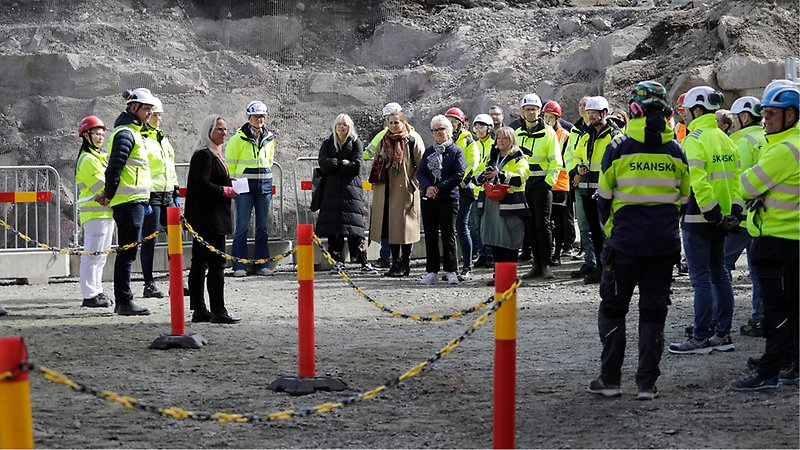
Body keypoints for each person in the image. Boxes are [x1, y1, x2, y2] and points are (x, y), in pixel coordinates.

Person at [587, 81, 690, 400]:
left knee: (614, 310)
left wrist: (612, 232)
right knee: (653, 313)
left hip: (624, 245)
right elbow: (684, 200)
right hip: (663, 245)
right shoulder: (676, 150)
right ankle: (646, 384)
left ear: (635, 110)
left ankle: (611, 380)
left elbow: (602, 198)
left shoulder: (618, 147)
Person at [729, 83, 799, 391]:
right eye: (764, 113)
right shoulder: (789, 143)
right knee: (793, 307)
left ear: (791, 115)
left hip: (778, 239)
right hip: (789, 239)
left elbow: (746, 185)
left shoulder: (784, 150)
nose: (765, 118)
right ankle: (793, 364)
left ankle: (769, 372)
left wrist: (754, 180)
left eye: (771, 113)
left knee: (775, 309)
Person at [668, 86, 740, 355]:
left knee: (701, 279)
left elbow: (697, 181)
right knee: (720, 275)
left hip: (700, 219)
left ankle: (699, 337)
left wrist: (711, 213)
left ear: (698, 110)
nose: (684, 115)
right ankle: (723, 334)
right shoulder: (724, 138)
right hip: (722, 219)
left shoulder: (694, 139)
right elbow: (735, 178)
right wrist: (732, 211)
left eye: (686, 110)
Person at [94, 88, 157, 316]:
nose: (149, 112)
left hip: (133, 201)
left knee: (128, 252)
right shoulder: (126, 133)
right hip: (128, 202)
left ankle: (125, 299)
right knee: (127, 253)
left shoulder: (132, 132)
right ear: (133, 108)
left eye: (150, 108)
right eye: (146, 108)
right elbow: (114, 169)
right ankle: (124, 300)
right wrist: (109, 194)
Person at [185, 115, 240, 324]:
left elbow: (209, 180)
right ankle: (218, 309)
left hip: (209, 216)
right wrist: (225, 190)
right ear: (209, 131)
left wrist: (227, 181)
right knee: (215, 263)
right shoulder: (203, 155)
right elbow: (202, 185)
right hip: (208, 218)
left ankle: (200, 309)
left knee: (200, 263)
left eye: (225, 129)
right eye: (219, 129)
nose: (224, 133)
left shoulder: (214, 154)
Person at [364, 102, 425, 268]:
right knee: (389, 228)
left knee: (406, 228)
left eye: (396, 122)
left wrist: (413, 184)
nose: (393, 125)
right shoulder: (383, 140)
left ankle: (405, 263)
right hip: (386, 190)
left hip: (405, 191)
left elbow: (421, 164)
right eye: (390, 122)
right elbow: (375, 158)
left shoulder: (413, 139)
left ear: (403, 122)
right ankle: (394, 263)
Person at [725, 95, 767, 337]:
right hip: (763, 216)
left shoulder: (742, 142)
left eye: (735, 117)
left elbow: (738, 180)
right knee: (758, 271)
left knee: (718, 268)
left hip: (742, 218)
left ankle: (714, 322)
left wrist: (732, 212)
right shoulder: (766, 138)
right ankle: (761, 318)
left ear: (744, 116)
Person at [316, 114, 376, 273]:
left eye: (345, 125)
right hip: (331, 192)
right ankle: (337, 261)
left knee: (355, 227)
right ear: (335, 126)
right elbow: (323, 163)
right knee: (334, 229)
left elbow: (357, 166)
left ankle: (363, 261)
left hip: (351, 191)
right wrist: (342, 163)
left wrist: (334, 164)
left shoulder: (356, 142)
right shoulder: (328, 143)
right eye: (339, 124)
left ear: (350, 127)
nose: (342, 127)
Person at [573, 96, 622, 284]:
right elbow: (576, 156)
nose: (591, 116)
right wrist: (578, 168)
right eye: (589, 113)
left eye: (594, 113)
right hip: (586, 189)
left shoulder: (614, 135)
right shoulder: (585, 135)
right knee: (594, 230)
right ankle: (601, 269)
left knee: (607, 231)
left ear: (604, 113)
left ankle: (611, 270)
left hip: (605, 191)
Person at [474, 126, 530, 286]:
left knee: (510, 240)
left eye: (505, 138)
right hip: (492, 202)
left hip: (511, 203)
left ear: (512, 140)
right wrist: (483, 176)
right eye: (499, 138)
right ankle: (499, 275)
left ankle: (510, 276)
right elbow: (477, 174)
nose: (501, 141)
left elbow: (521, 177)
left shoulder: (519, 158)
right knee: (495, 239)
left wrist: (501, 175)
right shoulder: (491, 157)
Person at [226, 100, 276, 277]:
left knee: (262, 227)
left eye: (262, 116)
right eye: (256, 116)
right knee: (242, 226)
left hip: (264, 187)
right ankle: (239, 266)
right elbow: (230, 165)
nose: (259, 120)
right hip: (244, 188)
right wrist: (232, 185)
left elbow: (268, 162)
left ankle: (262, 264)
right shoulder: (237, 139)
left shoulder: (269, 139)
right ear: (249, 118)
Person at [515, 93, 561, 280]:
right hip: (525, 187)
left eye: (534, 109)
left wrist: (547, 184)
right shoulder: (517, 134)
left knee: (543, 225)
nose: (531, 112)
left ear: (539, 111)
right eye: (528, 109)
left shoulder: (549, 132)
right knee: (530, 226)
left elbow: (556, 161)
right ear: (522, 111)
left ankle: (546, 265)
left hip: (542, 186)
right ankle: (536, 265)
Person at [417, 115, 467, 285]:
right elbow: (420, 172)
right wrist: (428, 187)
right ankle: (432, 271)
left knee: (448, 234)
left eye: (442, 129)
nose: (439, 132)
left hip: (448, 198)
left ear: (449, 130)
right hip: (429, 199)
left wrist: (438, 187)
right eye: (435, 130)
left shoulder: (455, 151)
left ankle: (451, 270)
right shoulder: (429, 152)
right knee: (430, 235)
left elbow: (459, 174)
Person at [139, 98, 179, 299]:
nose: (159, 118)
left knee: (176, 238)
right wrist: (143, 195)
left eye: (160, 115)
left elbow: (169, 166)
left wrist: (176, 191)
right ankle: (148, 283)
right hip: (151, 194)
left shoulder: (162, 138)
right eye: (156, 115)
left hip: (167, 194)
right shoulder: (142, 137)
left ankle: (176, 282)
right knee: (149, 240)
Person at [75, 115, 113, 309]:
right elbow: (102, 186)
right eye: (96, 133)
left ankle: (96, 290)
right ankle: (90, 294)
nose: (100, 137)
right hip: (95, 214)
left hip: (104, 214)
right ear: (86, 135)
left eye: (102, 134)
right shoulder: (89, 159)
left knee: (100, 256)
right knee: (92, 255)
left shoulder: (98, 157)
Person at [565, 96, 597, 278]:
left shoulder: (605, 129)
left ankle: (603, 263)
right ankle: (590, 262)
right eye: (580, 104)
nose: (582, 107)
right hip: (580, 182)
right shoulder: (576, 130)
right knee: (584, 226)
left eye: (586, 105)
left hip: (599, 184)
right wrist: (575, 171)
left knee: (599, 226)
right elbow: (570, 155)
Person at [444, 107, 477, 281]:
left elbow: (472, 163)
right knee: (451, 228)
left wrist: (459, 181)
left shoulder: (468, 140)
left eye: (454, 120)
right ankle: (453, 268)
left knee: (462, 227)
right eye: (448, 120)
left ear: (461, 123)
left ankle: (467, 267)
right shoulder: (445, 141)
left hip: (464, 189)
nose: (451, 123)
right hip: (450, 189)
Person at [542, 101, 574, 267]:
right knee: (546, 221)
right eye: (545, 116)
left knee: (559, 220)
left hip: (560, 183)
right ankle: (547, 251)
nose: (547, 119)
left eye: (550, 117)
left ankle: (557, 253)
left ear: (557, 118)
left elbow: (568, 159)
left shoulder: (565, 136)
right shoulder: (542, 134)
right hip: (545, 182)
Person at [470, 114, 495, 269]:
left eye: (482, 127)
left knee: (489, 223)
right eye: (477, 127)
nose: (479, 130)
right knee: (475, 224)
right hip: (474, 190)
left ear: (489, 128)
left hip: (489, 191)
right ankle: (482, 253)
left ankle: (491, 253)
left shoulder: (495, 145)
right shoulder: (473, 146)